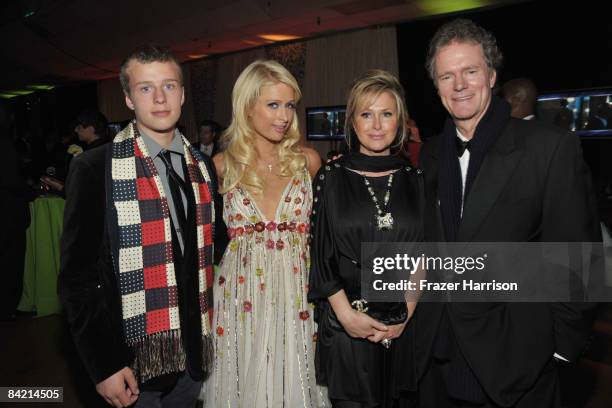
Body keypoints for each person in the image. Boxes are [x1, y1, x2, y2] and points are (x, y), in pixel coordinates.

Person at [418, 19, 600, 407]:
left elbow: (579, 260)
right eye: (447, 76)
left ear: (492, 75)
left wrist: (559, 348)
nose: (460, 85)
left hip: (517, 365)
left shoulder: (549, 148)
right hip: (438, 361)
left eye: (470, 71)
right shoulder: (432, 154)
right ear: (436, 86)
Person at [59, 44, 224, 408]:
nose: (160, 98)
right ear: (129, 99)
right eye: (145, 88)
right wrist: (103, 365)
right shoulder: (94, 168)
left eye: (169, 86)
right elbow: (77, 279)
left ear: (182, 94)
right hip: (130, 360)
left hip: (193, 354)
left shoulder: (204, 167)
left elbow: (215, 247)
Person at [205, 60, 328, 407]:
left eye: (289, 105)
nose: (284, 116)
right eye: (273, 105)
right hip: (242, 297)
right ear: (247, 106)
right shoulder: (220, 166)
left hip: (299, 293)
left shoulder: (308, 161)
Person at [308, 69, 422, 407]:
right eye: (366, 114)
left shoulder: (415, 178)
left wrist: (405, 315)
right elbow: (321, 254)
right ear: (352, 122)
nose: (376, 124)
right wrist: (347, 318)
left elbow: (422, 255)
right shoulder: (331, 176)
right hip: (347, 325)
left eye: (386, 114)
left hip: (401, 324)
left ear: (399, 121)